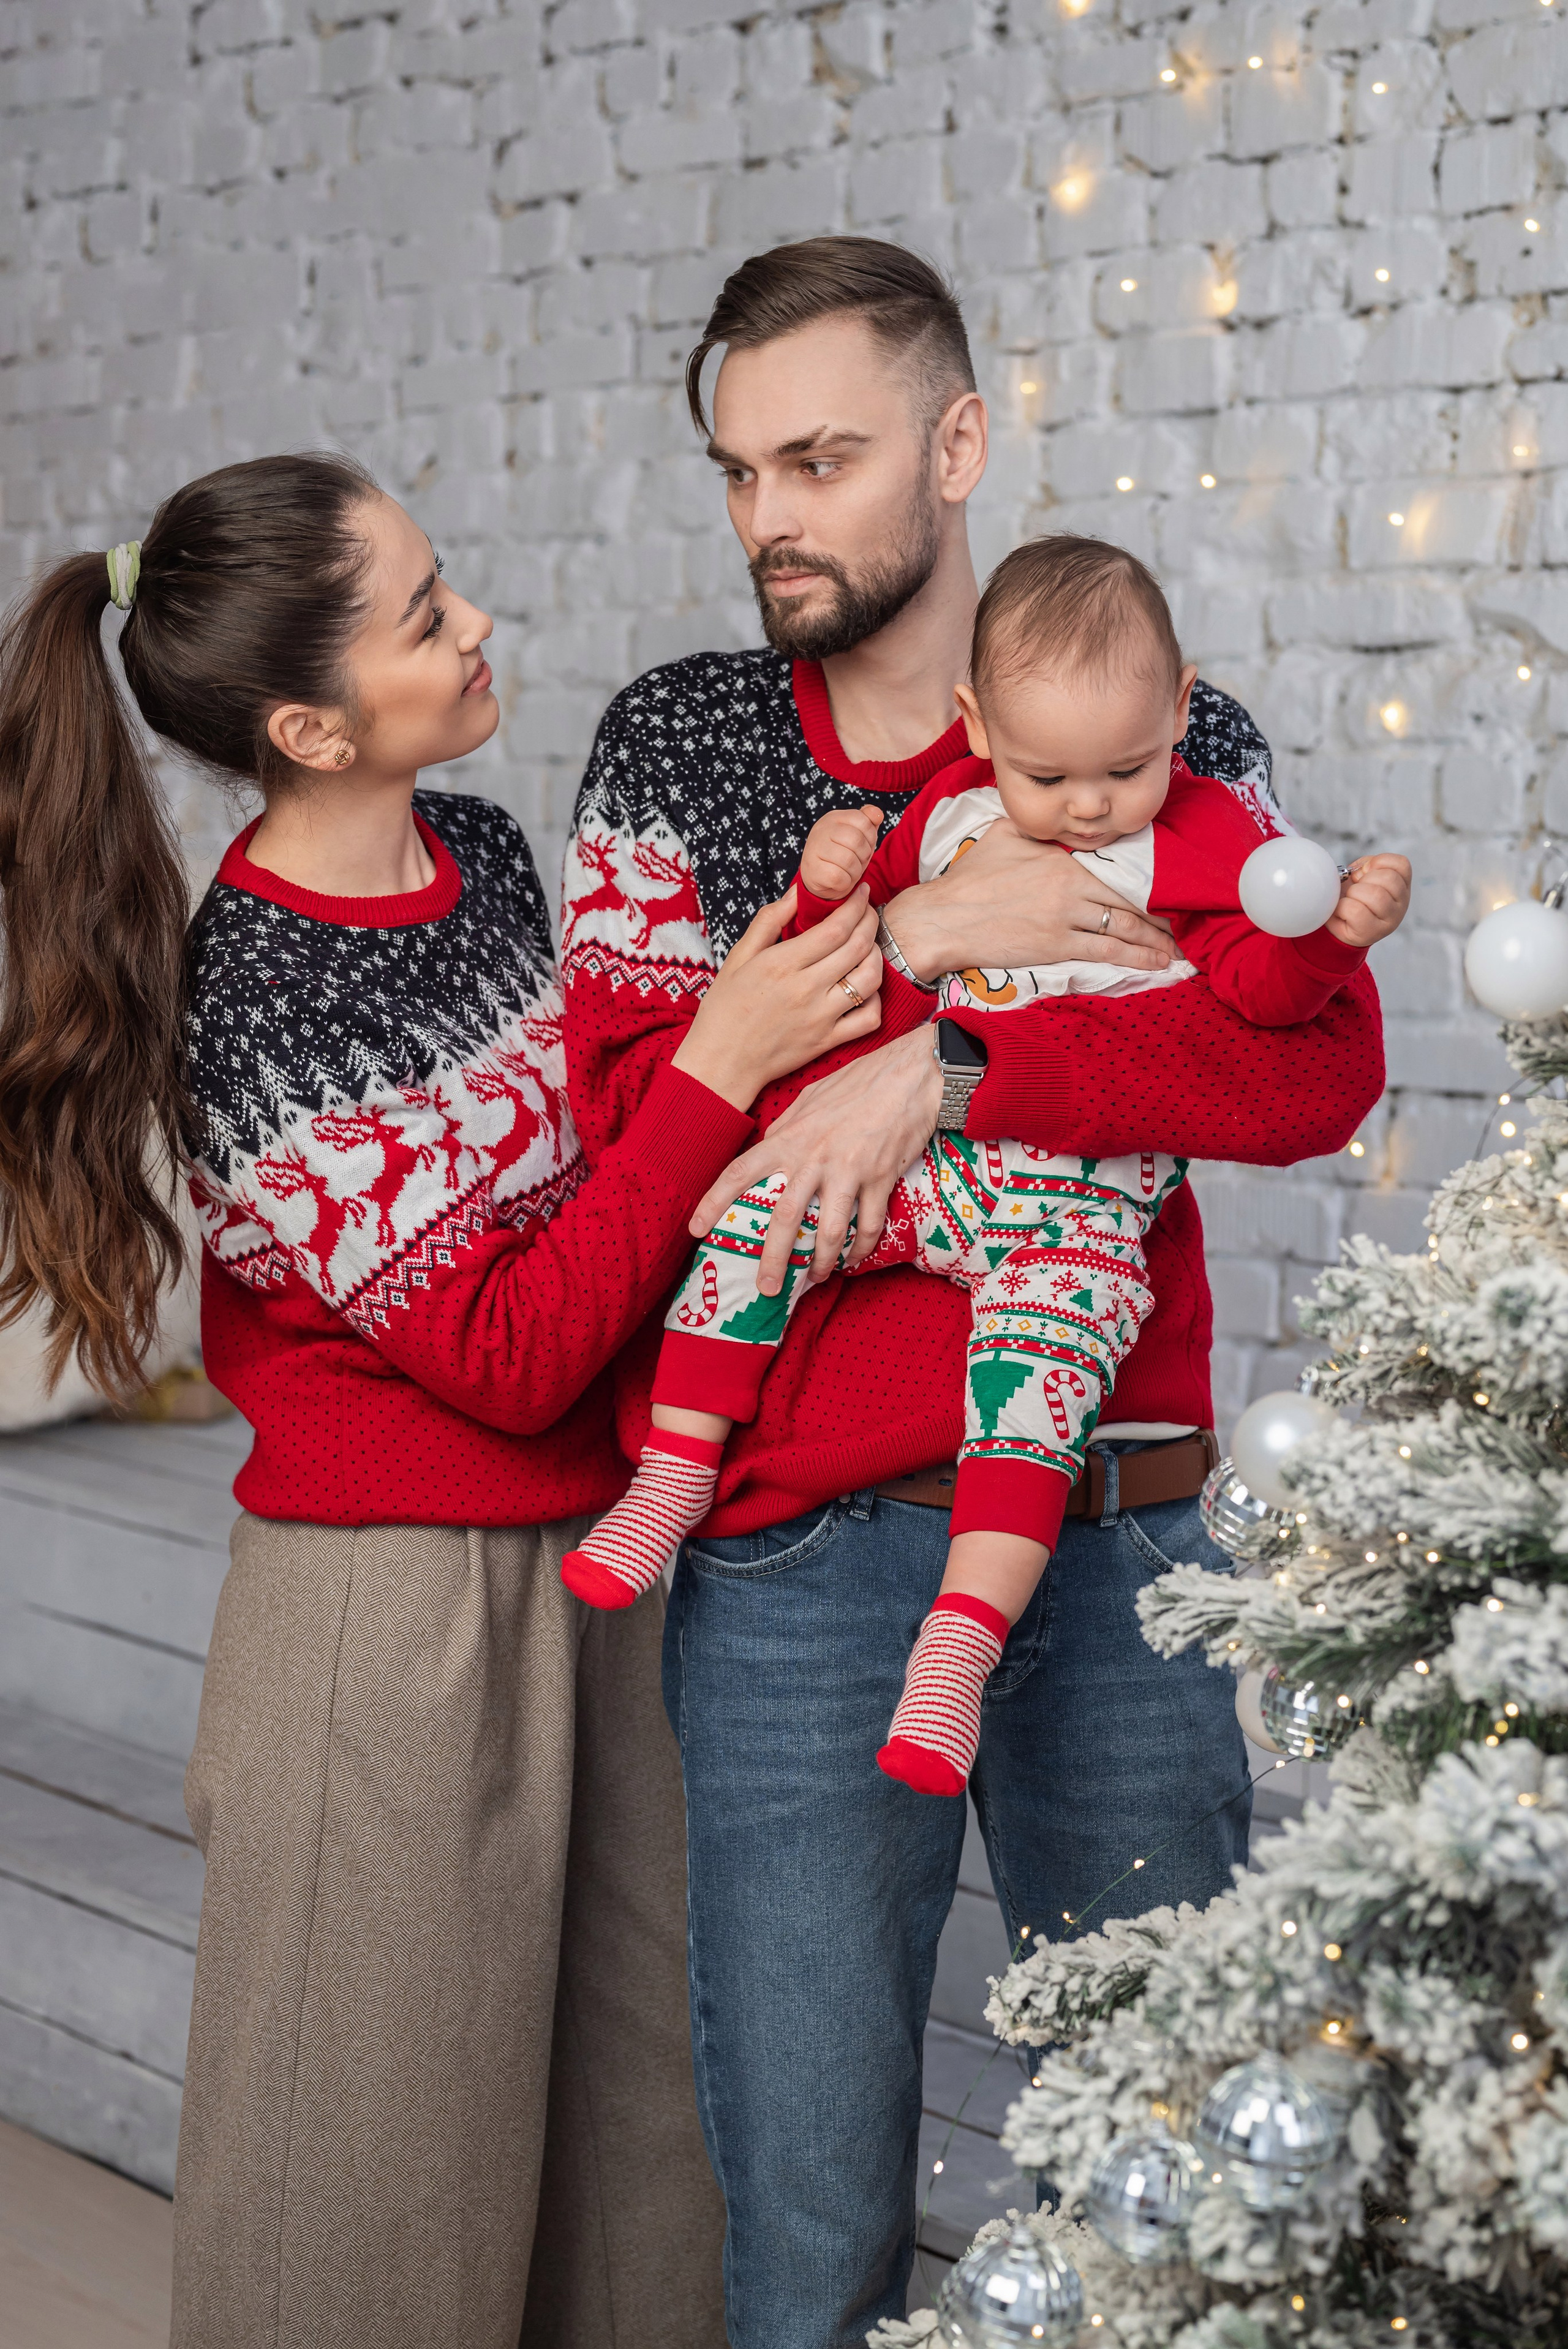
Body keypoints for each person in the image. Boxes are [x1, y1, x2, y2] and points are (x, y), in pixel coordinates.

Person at [560, 237, 1387, 2347]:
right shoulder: (681, 748)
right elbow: (645, 1135)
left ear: (956, 445)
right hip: (801, 1564)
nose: (769, 515)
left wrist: (950, 1064)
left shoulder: (1170, 727)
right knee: (814, 2210)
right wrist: (926, 937)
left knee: (1172, 2175)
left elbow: (1307, 1072)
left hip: (1118, 1525)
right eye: (740, 470)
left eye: (821, 459)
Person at [0, 453, 885, 2349]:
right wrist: (723, 1063)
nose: (477, 623)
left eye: (447, 580)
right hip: (385, 1619)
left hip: (599, 1567)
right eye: (425, 616)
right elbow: (509, 1346)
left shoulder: (484, 857)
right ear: (312, 728)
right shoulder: (255, 999)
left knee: (642, 2177)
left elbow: (599, 1196)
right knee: (368, 2218)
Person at [561, 535, 1412, 1801]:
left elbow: (1282, 1032)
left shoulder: (1204, 834)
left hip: (1076, 1212)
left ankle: (959, 1646)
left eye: (1123, 772)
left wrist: (1324, 942)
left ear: (1179, 711)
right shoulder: (941, 808)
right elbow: (778, 1016)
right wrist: (856, 898)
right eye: (1047, 776)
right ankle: (671, 1475)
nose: (1088, 807)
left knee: (1038, 1378)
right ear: (977, 725)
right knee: (762, 1216)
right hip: (931, 1198)